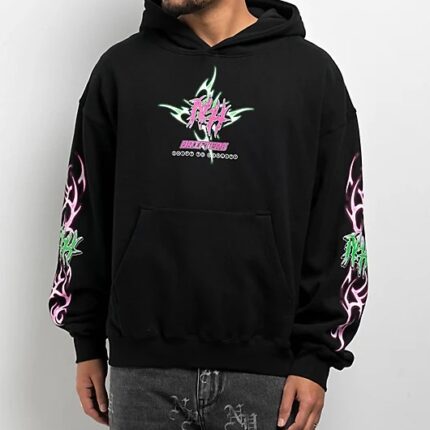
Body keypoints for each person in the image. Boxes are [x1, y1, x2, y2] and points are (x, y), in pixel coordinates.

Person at [48, 0, 369, 428]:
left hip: (269, 377)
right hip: (141, 373)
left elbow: (339, 221)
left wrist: (316, 358)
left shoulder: (312, 75)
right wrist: (86, 341)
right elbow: (84, 208)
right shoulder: (120, 71)